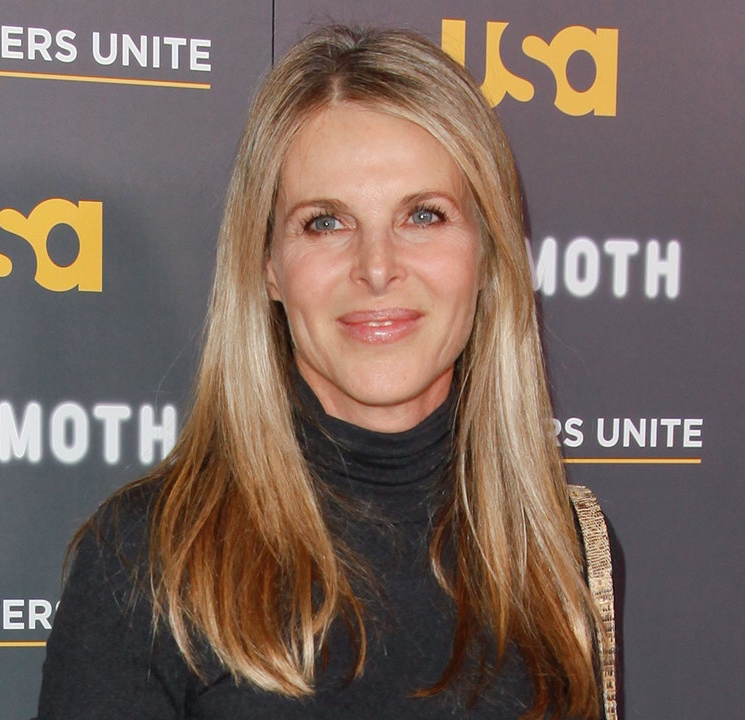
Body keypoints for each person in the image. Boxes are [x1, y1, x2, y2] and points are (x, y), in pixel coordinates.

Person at [36, 25, 606, 720]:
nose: (377, 266)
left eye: (424, 215)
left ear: (488, 254)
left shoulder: (560, 547)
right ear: (268, 266)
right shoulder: (148, 563)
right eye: (325, 223)